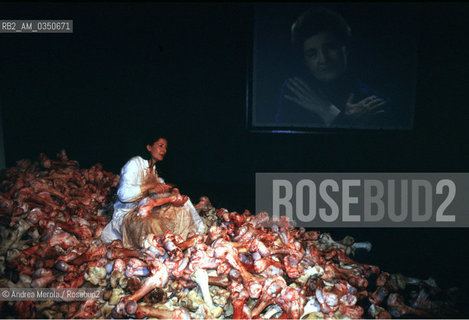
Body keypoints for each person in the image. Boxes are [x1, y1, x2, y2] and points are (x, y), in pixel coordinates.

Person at [275, 7, 394, 128]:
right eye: (312, 54)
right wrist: (347, 121)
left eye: (330, 47)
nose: (323, 59)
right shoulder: (297, 92)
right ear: (305, 61)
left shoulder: (373, 102)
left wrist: (328, 112)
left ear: (345, 49)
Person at [100, 136, 206, 248]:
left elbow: (163, 189)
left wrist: (175, 197)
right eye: (160, 146)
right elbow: (123, 195)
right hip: (127, 215)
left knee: (183, 207)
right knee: (151, 225)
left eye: (165, 147)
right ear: (149, 147)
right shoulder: (135, 163)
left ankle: (192, 237)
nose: (164, 150)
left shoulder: (154, 171)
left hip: (147, 209)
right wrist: (149, 186)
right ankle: (158, 248)